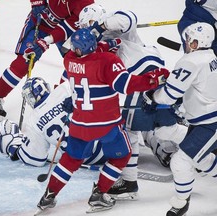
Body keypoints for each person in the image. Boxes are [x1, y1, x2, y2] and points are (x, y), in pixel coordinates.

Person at [35, 28, 169, 214]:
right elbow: (127, 85)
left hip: (80, 124)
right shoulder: (108, 61)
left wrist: (109, 44)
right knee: (122, 155)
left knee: (71, 159)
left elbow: (88, 58)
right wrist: (154, 79)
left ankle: (49, 195)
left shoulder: (69, 60)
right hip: (106, 124)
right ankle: (99, 194)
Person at [76, 3, 188, 199]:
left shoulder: (117, 29)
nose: (85, 30)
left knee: (128, 129)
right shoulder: (96, 46)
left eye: (87, 25)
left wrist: (101, 28)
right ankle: (205, 142)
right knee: (165, 128)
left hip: (143, 74)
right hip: (146, 77)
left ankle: (129, 182)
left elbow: (129, 17)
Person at [142, 22, 217, 216]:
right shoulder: (210, 57)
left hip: (210, 123)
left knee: (180, 161)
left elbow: (169, 95)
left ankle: (181, 202)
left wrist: (152, 97)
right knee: (199, 160)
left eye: (187, 39)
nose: (185, 42)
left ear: (194, 42)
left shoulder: (191, 62)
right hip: (203, 120)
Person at [0, 0, 94, 116]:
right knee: (24, 62)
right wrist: (36, 1)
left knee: (76, 62)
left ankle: (62, 102)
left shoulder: (85, 3)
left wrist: (46, 41)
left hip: (61, 29)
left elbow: (65, 29)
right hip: (39, 22)